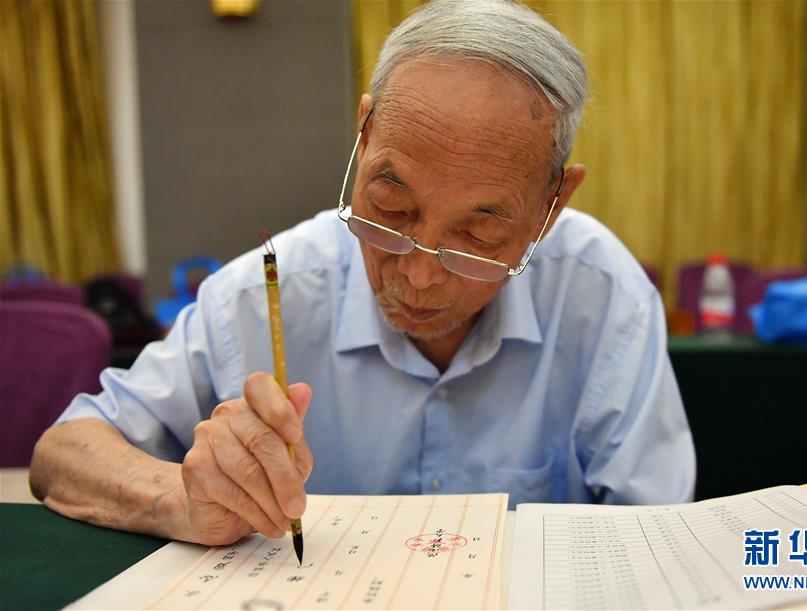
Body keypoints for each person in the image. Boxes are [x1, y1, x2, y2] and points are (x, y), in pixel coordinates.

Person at [31, 0, 694, 547]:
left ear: (554, 205)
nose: (420, 274)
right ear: (364, 134)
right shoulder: (265, 294)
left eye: (478, 235)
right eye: (391, 209)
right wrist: (180, 497)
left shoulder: (603, 297)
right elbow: (64, 451)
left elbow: (661, 533)